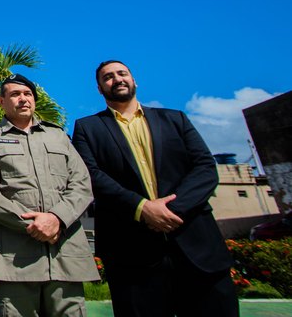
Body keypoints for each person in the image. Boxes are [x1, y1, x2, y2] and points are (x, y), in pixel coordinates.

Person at [72, 60, 239, 317]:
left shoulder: (174, 119)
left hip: (197, 247)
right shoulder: (87, 128)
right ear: (99, 88)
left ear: (134, 80)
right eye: (108, 77)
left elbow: (205, 167)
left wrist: (170, 209)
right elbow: (91, 176)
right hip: (131, 254)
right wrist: (142, 208)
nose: (116, 79)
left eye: (122, 73)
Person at [0, 74, 98, 317]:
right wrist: (34, 223)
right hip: (16, 258)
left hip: (65, 254)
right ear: (1, 102)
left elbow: (82, 184)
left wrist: (57, 219)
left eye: (27, 94)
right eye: (15, 95)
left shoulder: (58, 136)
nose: (23, 99)